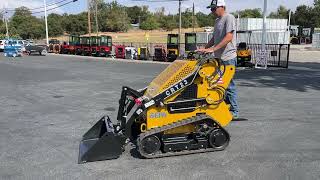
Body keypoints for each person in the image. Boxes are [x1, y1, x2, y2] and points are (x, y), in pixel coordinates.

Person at [197, 0, 239, 119]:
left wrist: (213, 49)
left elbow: (229, 37)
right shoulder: (217, 21)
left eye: (214, 9)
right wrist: (204, 48)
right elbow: (214, 38)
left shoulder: (229, 18)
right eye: (211, 9)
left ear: (222, 7)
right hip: (219, 58)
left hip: (228, 57)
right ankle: (224, 107)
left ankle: (234, 111)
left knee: (229, 84)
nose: (212, 11)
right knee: (218, 84)